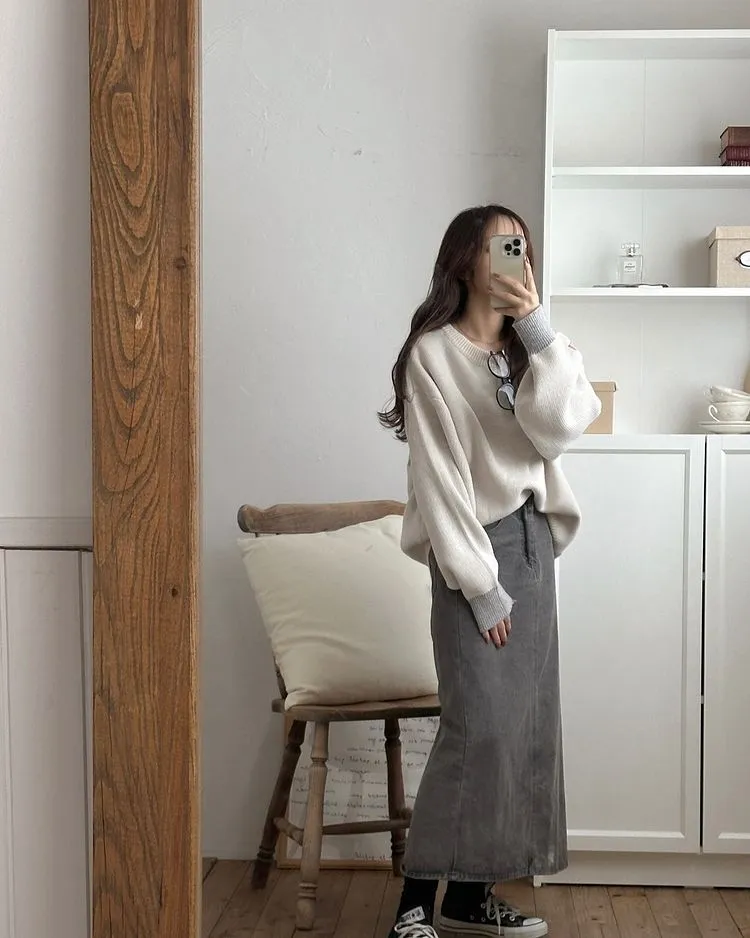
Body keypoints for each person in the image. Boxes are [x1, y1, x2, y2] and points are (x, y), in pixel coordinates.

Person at [378, 205, 601, 938]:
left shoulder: (532, 348)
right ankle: (414, 906)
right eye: (499, 243)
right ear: (465, 258)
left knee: (521, 730)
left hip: (533, 544)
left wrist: (536, 328)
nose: (515, 253)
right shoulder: (432, 354)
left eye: (521, 244)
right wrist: (481, 586)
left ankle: (471, 899)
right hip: (472, 550)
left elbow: (563, 427)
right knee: (475, 730)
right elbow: (440, 481)